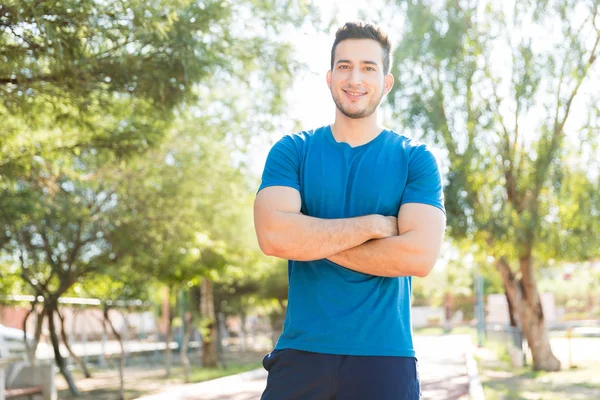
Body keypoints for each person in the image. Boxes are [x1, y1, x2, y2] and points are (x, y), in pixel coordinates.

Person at [253, 21, 446, 400]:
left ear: (386, 82)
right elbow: (273, 236)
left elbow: (419, 257)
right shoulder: (292, 151)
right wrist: (374, 225)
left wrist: (307, 238)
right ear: (329, 77)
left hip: (385, 357)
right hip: (301, 353)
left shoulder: (415, 159)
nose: (354, 78)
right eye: (344, 66)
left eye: (368, 67)